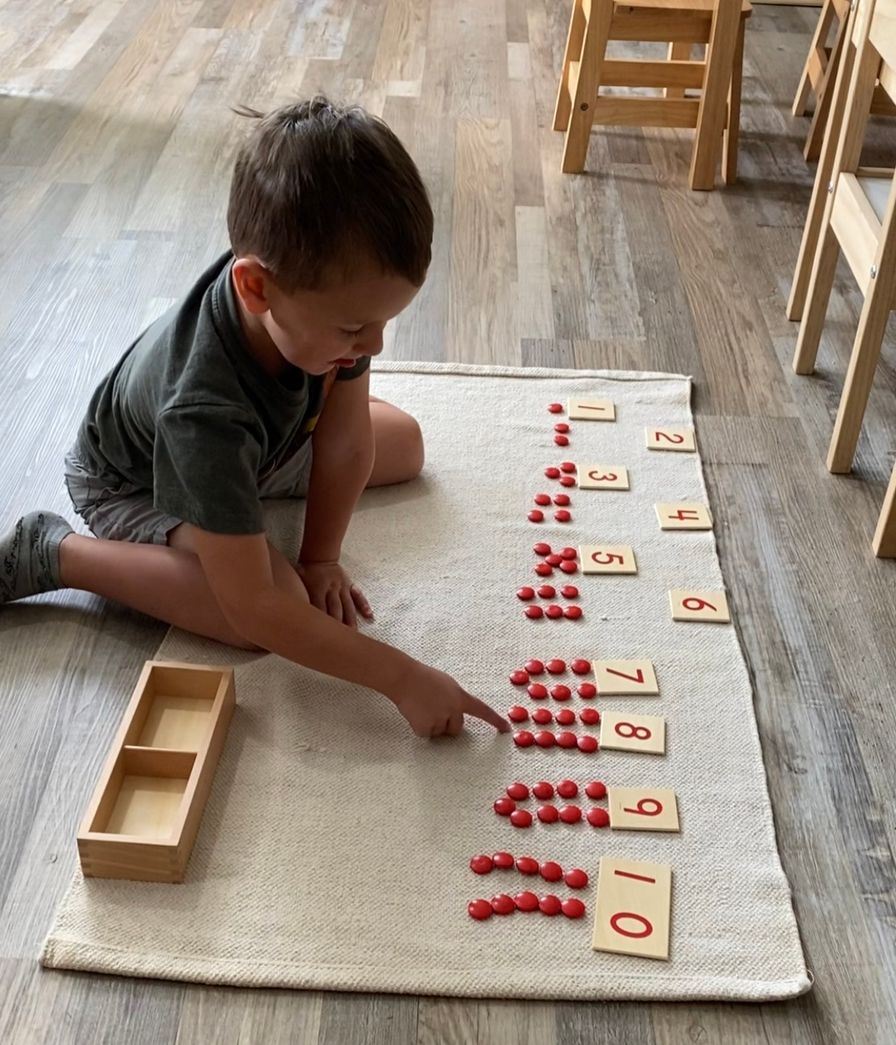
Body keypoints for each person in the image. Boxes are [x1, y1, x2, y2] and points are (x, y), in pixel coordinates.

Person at [0, 97, 508, 740]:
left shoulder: (316, 298)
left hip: (255, 444)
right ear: (256, 289)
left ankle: (242, 491)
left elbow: (349, 443)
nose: (375, 345)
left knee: (401, 444)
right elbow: (257, 607)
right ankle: (55, 554)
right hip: (134, 483)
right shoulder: (204, 411)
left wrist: (321, 556)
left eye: (385, 322)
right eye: (358, 327)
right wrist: (401, 677)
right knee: (264, 616)